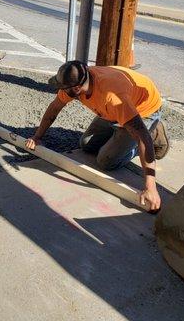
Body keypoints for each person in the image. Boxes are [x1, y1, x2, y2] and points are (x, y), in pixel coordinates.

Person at [25, 61, 169, 212]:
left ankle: (154, 131)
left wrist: (150, 188)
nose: (61, 91)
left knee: (106, 161)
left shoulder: (113, 97)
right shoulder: (78, 81)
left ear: (76, 88)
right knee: (86, 144)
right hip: (113, 110)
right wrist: (37, 137)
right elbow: (54, 108)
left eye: (63, 88)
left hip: (143, 110)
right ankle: (121, 130)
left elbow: (142, 138)